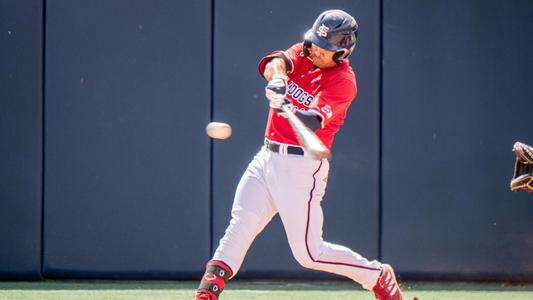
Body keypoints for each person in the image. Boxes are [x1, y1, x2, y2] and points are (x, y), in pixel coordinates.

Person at [194, 9, 403, 300]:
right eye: (316, 43)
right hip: (266, 157)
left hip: (301, 166)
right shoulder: (304, 52)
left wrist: (286, 107)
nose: (317, 50)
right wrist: (278, 80)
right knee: (240, 224)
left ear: (342, 53)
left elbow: (312, 122)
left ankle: (377, 276)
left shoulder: (343, 81)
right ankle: (206, 294)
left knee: (309, 253)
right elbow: (275, 64)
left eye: (326, 48)